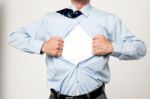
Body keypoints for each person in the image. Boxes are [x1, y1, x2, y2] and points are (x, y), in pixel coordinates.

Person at [9, 0, 147, 99]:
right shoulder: (50, 19)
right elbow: (14, 37)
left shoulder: (109, 20)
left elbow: (140, 49)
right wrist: (43, 46)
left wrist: (111, 47)